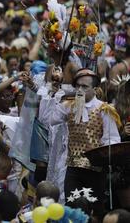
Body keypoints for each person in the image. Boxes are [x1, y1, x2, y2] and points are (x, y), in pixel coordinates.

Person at [40, 69, 121, 207]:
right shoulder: (68, 106)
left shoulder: (104, 110)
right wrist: (51, 94)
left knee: (94, 211)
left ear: (95, 89)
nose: (79, 89)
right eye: (77, 86)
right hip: (73, 169)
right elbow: (46, 120)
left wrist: (102, 153)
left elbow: (112, 139)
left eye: (84, 86)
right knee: (72, 209)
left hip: (95, 171)